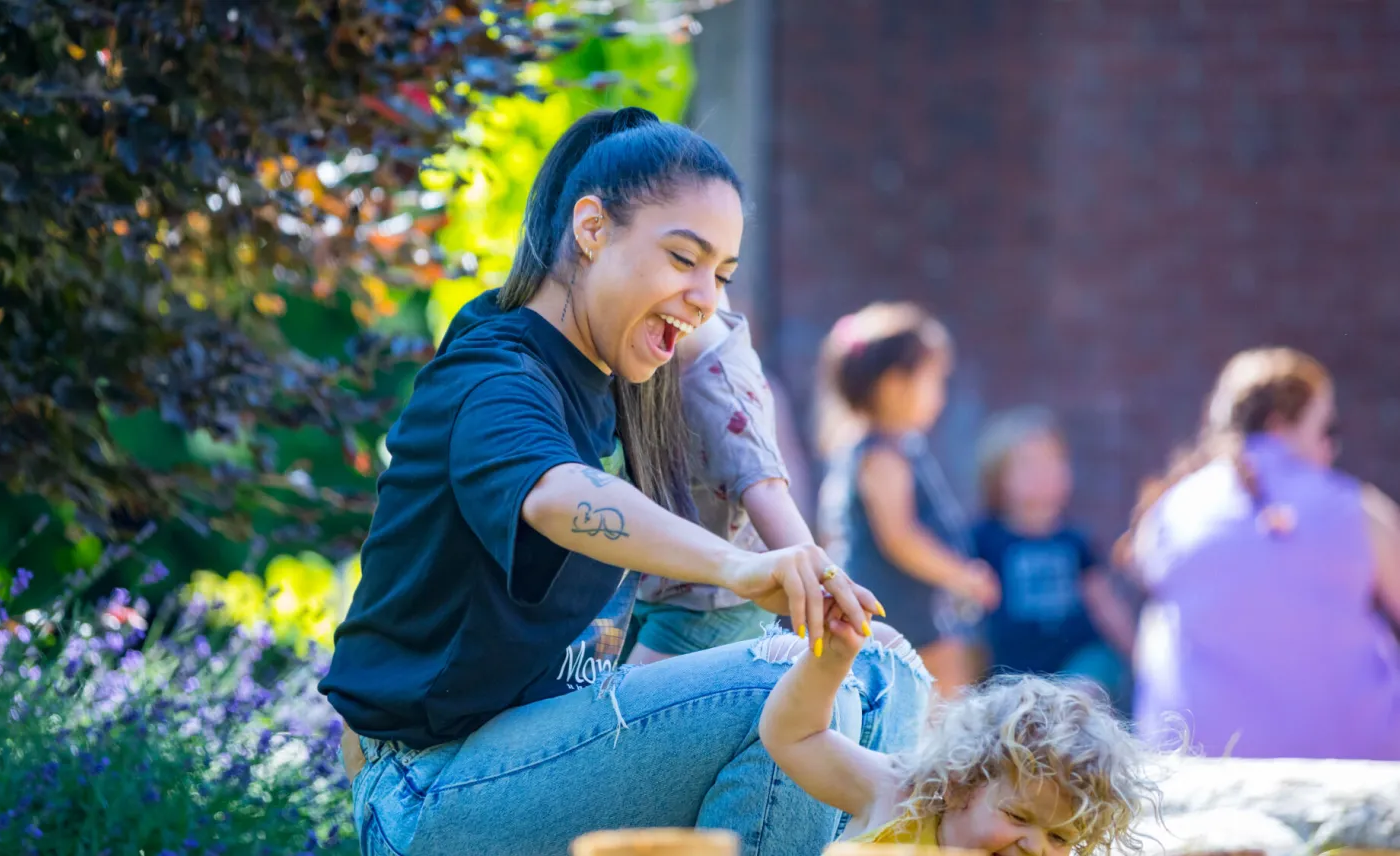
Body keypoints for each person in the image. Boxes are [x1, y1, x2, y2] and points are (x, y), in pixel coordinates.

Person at [321, 108, 924, 856]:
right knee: (781, 702)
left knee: (883, 672)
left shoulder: (626, 391)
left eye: (722, 275)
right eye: (683, 258)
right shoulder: (492, 372)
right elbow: (555, 495)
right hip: (427, 787)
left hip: (552, 752)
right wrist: (739, 567)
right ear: (592, 229)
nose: (706, 295)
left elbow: (732, 413)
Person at [1125, 347, 1400, 759]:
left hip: (1197, 763)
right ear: (1278, 424)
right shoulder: (1360, 509)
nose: (1332, 447)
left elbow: (1144, 582)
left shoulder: (1168, 511)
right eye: (1328, 429)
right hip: (1354, 762)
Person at [760, 613, 1156, 852]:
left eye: (1060, 839)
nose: (1036, 847)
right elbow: (795, 737)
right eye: (1018, 816)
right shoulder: (898, 796)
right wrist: (831, 659)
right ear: (959, 782)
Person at [815, 302, 1000, 697]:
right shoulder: (881, 455)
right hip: (901, 614)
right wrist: (962, 575)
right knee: (936, 703)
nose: (941, 395)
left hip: (908, 611)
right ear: (894, 386)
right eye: (934, 381)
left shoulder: (889, 447)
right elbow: (899, 536)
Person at [625, 291, 816, 664]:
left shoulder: (717, 385)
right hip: (652, 582)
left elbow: (767, 486)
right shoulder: (664, 345)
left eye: (719, 274)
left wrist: (820, 589)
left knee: (623, 715)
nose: (703, 289)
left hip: (710, 601)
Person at [972, 406, 1138, 710]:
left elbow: (1104, 605)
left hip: (1079, 659)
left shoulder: (1075, 541)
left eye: (1053, 462)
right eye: (1029, 464)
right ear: (998, 477)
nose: (1044, 473)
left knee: (1083, 689)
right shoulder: (983, 540)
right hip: (1014, 669)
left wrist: (1139, 656)